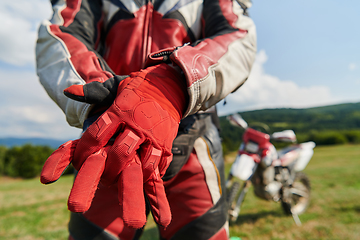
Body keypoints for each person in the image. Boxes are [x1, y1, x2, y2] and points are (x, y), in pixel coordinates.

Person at [35, 0, 257, 239]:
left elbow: (237, 36)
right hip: (110, 142)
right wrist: (105, 94)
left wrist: (174, 83)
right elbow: (61, 34)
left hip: (192, 143)